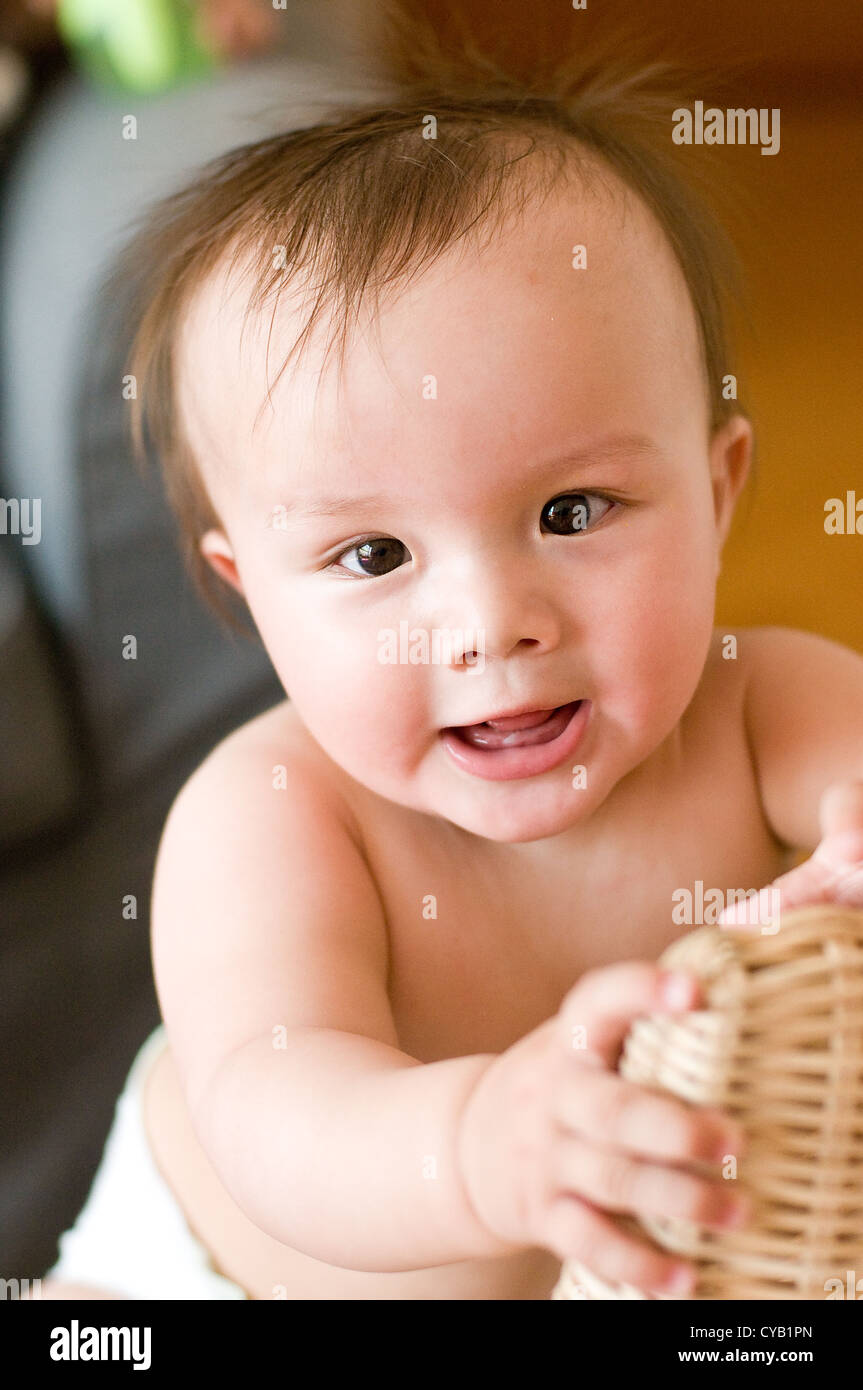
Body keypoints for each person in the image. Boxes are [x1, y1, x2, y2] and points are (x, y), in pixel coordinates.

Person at [37, 18, 863, 1300]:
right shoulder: (275, 821)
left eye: (572, 512)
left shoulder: (766, 704)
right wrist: (480, 1146)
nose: (489, 625)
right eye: (372, 558)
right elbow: (277, 1113)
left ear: (717, 489)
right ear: (250, 595)